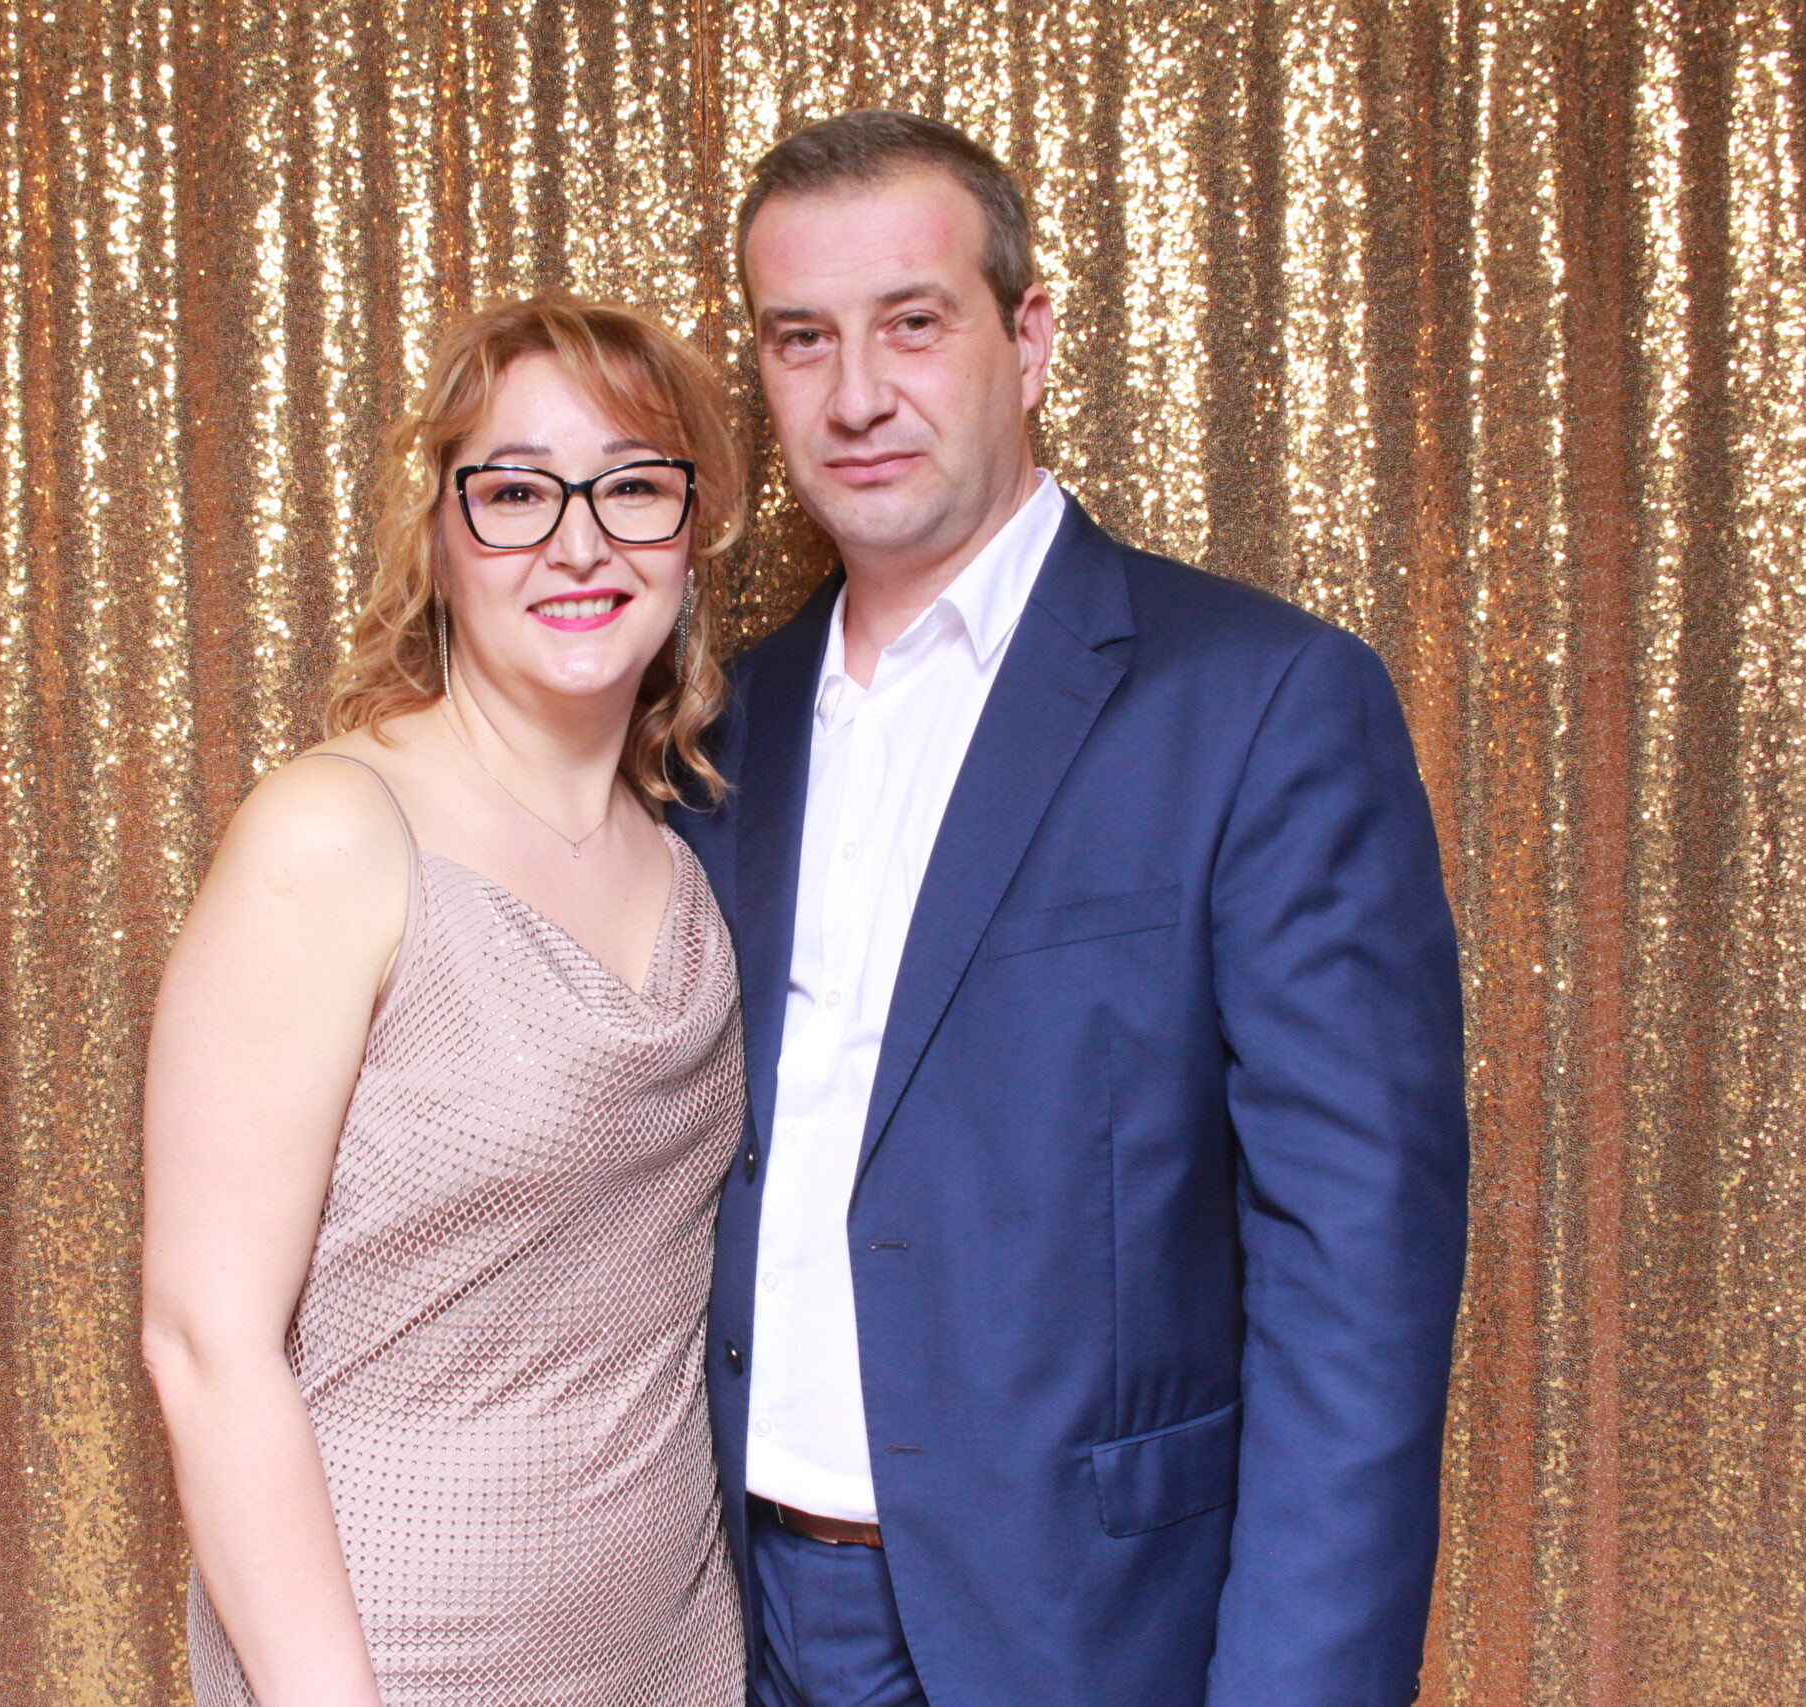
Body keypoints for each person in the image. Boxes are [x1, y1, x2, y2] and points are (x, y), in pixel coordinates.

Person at [675, 111, 1470, 1707]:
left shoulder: (1260, 702)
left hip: (1078, 1636)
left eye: (914, 322)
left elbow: (1356, 1279)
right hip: (727, 1621)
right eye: (801, 339)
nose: (855, 394)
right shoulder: (722, 728)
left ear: (1028, 340)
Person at [139, 297, 750, 1707]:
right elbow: (205, 1341)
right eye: (518, 492)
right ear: (437, 535)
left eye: (632, 487)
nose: (580, 543)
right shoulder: (337, 834)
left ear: (690, 533)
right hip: (397, 1657)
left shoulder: (690, 852)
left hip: (670, 1655)